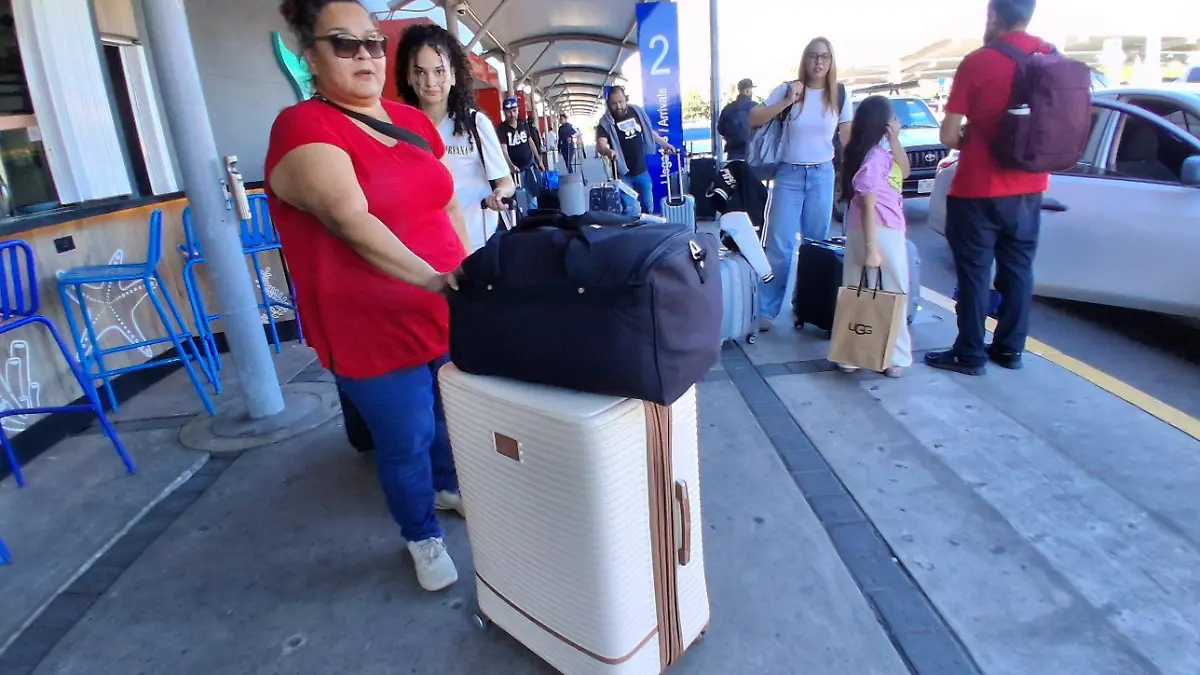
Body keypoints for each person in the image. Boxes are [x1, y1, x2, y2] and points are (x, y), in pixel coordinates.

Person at [267, 0, 467, 592]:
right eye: (344, 43)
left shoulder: (412, 120)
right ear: (310, 55)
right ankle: (421, 534)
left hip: (440, 308)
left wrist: (462, 269)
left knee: (446, 413)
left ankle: (447, 486)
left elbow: (446, 201)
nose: (365, 56)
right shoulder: (303, 126)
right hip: (369, 325)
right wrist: (434, 277)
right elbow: (350, 220)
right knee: (405, 437)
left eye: (373, 42)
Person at [924, 0, 1048, 376]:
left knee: (976, 274)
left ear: (994, 16)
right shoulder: (1050, 56)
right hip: (1029, 187)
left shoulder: (979, 61)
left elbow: (948, 133)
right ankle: (1010, 350)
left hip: (978, 189)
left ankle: (969, 353)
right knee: (1019, 271)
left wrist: (971, 137)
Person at [748, 37, 853, 332]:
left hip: (822, 174)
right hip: (789, 174)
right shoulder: (788, 89)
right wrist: (788, 100)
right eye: (813, 56)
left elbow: (847, 140)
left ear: (831, 62)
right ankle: (768, 308)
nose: (819, 62)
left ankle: (806, 305)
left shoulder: (840, 95)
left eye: (825, 57)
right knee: (779, 244)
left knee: (815, 246)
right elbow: (754, 118)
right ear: (805, 60)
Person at [396, 23, 514, 253]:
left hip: (477, 248)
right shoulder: (400, 129)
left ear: (453, 75)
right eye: (420, 71)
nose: (430, 82)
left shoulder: (475, 124)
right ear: (408, 76)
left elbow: (506, 182)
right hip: (426, 254)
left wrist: (500, 194)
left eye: (439, 71)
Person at [833, 95, 913, 378]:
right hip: (882, 229)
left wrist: (895, 140)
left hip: (860, 228)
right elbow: (868, 201)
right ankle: (895, 356)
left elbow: (904, 171)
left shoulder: (869, 153)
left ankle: (850, 353)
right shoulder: (876, 157)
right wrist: (872, 248)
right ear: (883, 122)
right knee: (894, 290)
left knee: (855, 288)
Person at [595, 85, 678, 215]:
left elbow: (648, 132)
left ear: (626, 99)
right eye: (614, 103)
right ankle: (630, 234)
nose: (619, 106)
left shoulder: (637, 112)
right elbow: (601, 144)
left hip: (642, 171)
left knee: (648, 207)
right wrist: (607, 151)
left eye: (621, 102)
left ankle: (647, 233)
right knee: (629, 210)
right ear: (608, 104)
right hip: (623, 175)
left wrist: (664, 144)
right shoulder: (605, 122)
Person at [497, 98, 543, 202]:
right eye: (508, 111)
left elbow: (530, 142)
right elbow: (503, 150)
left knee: (532, 197)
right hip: (515, 172)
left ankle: (534, 216)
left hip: (529, 166)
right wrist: (511, 165)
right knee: (519, 199)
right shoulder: (501, 129)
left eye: (514, 110)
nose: (512, 114)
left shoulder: (523, 124)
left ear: (518, 110)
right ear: (504, 112)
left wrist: (539, 160)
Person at [718, 78, 756, 161]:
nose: (752, 92)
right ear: (746, 91)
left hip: (733, 151)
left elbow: (720, 129)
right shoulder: (756, 107)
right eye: (751, 90)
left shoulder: (728, 108)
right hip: (753, 151)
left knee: (734, 172)